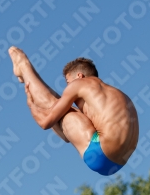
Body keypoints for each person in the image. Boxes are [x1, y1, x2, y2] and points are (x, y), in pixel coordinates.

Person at [8, 46, 139, 176]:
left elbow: (45, 122)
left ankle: (23, 65)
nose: (67, 87)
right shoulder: (119, 95)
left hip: (100, 153)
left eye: (68, 82)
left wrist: (31, 104)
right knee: (60, 112)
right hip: (118, 162)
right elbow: (65, 135)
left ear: (79, 76)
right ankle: (26, 75)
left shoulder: (80, 84)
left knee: (54, 105)